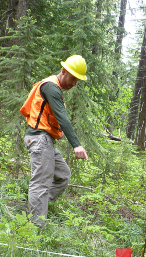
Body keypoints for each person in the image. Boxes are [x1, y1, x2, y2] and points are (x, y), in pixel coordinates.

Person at [20, 55, 89, 226]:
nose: (74, 84)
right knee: (40, 185)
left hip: (45, 140)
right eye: (73, 78)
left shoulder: (54, 87)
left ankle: (37, 207)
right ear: (64, 71)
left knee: (63, 175)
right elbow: (63, 118)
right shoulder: (51, 87)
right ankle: (35, 229)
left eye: (77, 81)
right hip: (39, 140)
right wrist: (76, 145)